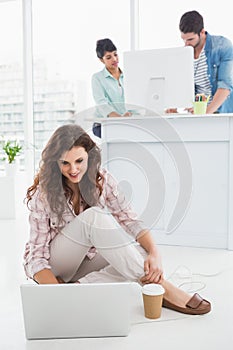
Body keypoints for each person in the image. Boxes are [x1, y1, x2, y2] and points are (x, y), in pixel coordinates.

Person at [23, 123, 211, 315]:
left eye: (79, 161)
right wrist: (55, 293)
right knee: (94, 218)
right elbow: (35, 259)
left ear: (90, 156)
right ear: (56, 162)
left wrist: (155, 252)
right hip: (57, 266)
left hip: (84, 265)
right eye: (65, 163)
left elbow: (130, 220)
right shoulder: (44, 194)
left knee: (143, 257)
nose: (73, 169)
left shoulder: (101, 180)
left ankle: (77, 287)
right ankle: (165, 289)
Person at [167, 10, 233, 114]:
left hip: (219, 113)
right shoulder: (185, 54)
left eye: (190, 39)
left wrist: (205, 113)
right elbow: (184, 86)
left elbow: (225, 86)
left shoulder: (222, 46)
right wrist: (175, 107)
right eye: (184, 40)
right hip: (197, 114)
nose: (186, 44)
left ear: (202, 32)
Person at [91, 38, 132, 137]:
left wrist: (129, 115)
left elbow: (136, 99)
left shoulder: (129, 75)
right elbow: (102, 104)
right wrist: (120, 119)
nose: (114, 59)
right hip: (103, 124)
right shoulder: (97, 78)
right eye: (108, 57)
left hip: (126, 122)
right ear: (101, 60)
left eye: (115, 54)